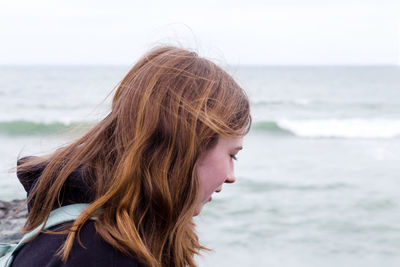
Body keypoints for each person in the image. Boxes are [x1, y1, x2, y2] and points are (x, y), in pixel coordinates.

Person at [13, 46, 251, 267]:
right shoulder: (103, 253)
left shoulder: (76, 227)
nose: (231, 177)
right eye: (232, 155)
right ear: (190, 146)